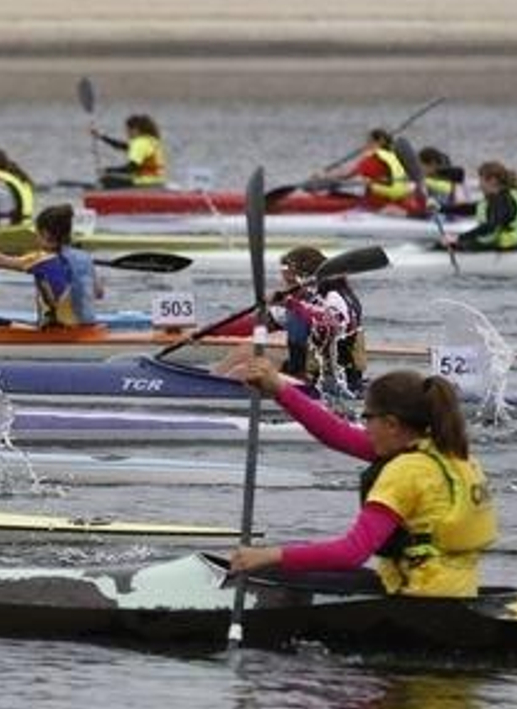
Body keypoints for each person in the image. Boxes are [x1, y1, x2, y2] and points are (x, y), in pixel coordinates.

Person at [222, 362, 498, 597]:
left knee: (270, 572)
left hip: (415, 597)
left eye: (367, 417)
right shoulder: (448, 453)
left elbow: (352, 553)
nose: (363, 426)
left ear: (391, 424)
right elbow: (336, 433)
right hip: (455, 591)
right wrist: (279, 389)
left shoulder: (405, 472)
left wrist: (269, 555)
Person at [210, 246, 367, 394]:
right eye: (285, 281)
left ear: (309, 279)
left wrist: (290, 303)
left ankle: (213, 397)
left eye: (291, 282)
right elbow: (255, 324)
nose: (286, 287)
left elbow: (330, 325)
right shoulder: (302, 301)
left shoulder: (335, 298)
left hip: (330, 385)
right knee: (246, 351)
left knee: (243, 372)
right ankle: (207, 386)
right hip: (301, 374)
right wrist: (207, 331)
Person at [0, 204, 102, 328]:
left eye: (36, 233)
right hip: (87, 329)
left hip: (55, 333)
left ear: (44, 233)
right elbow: (98, 293)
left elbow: (1, 260)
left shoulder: (40, 259)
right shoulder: (84, 258)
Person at [315, 128, 422, 214]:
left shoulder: (374, 158)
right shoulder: (393, 156)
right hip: (395, 200)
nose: (366, 145)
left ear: (380, 141)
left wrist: (323, 176)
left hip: (376, 205)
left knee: (307, 202)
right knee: (339, 195)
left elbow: (347, 174)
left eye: (369, 141)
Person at [443, 161, 517, 253]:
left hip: (512, 249)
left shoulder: (503, 200)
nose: (480, 185)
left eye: (481, 180)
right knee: (453, 243)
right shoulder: (506, 196)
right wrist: (441, 209)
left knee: (447, 245)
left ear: (493, 180)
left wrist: (458, 238)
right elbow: (472, 208)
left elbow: (490, 226)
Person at [93, 114, 166, 188]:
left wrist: (108, 170)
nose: (127, 133)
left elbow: (132, 168)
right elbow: (121, 146)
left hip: (144, 182)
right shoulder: (151, 140)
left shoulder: (139, 142)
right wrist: (100, 136)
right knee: (114, 178)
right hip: (158, 180)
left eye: (127, 130)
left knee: (105, 180)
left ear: (135, 130)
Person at [417, 146, 470, 211]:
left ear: (433, 164)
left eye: (420, 165)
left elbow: (462, 202)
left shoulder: (453, 179)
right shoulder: (426, 180)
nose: (418, 169)